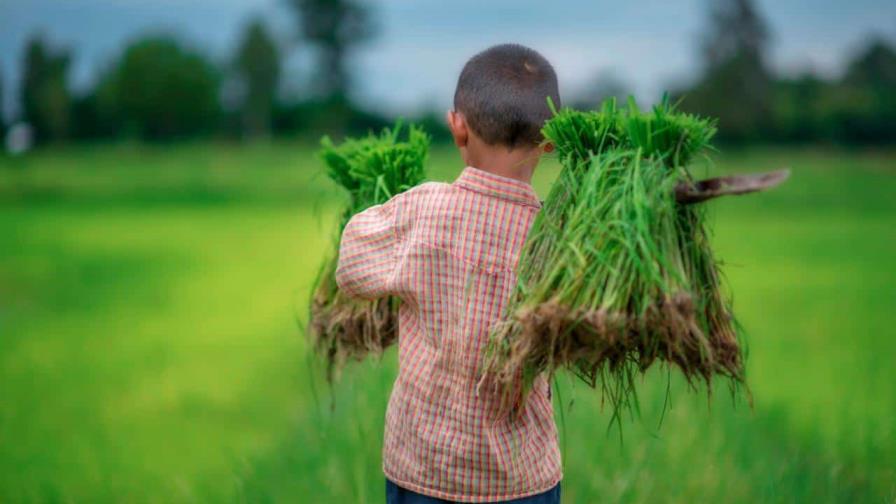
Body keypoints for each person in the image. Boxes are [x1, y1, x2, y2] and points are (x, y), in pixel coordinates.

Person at [336, 43, 562, 504]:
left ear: (457, 127)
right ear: (551, 139)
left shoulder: (424, 209)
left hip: (423, 467)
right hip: (519, 478)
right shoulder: (558, 236)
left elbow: (351, 269)